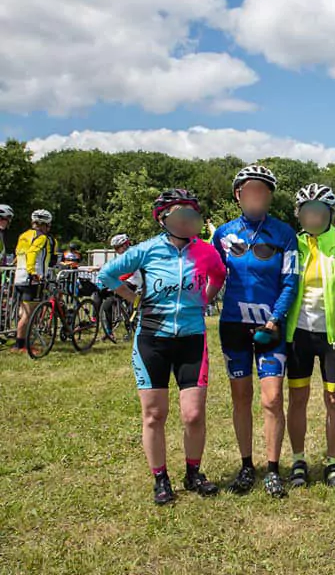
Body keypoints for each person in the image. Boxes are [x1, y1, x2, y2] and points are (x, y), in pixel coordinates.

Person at [98, 190, 225, 505]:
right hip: (152, 339)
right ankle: (160, 478)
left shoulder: (205, 252)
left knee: (193, 414)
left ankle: (193, 473)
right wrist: (135, 300)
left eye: (191, 214)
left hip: (192, 338)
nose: (187, 220)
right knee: (155, 414)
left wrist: (202, 301)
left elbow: (219, 276)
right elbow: (107, 274)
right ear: (163, 218)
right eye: (180, 214)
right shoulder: (147, 250)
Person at [213, 164, 299, 499]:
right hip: (233, 324)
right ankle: (247, 465)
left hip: (270, 325)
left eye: (262, 191)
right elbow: (210, 272)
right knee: (240, 397)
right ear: (238, 195)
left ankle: (274, 468)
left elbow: (290, 281)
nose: (256, 196)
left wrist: (276, 318)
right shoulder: (222, 233)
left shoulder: (283, 233)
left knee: (273, 398)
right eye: (250, 190)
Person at [284, 184, 335, 489]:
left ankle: (333, 463)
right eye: (307, 212)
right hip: (297, 333)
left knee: (334, 400)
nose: (313, 217)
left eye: (320, 212)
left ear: (330, 214)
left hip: (333, 336)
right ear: (298, 214)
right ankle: (298, 460)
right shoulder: (290, 244)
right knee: (297, 398)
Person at [12, 210, 57, 353]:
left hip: (18, 277)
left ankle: (20, 343)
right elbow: (32, 253)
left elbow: (18, 254)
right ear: (46, 225)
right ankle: (21, 345)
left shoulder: (23, 235)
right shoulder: (42, 238)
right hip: (31, 279)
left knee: (22, 313)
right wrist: (33, 272)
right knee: (28, 314)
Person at [98, 234, 142, 342]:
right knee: (108, 304)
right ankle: (109, 332)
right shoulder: (120, 255)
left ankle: (131, 329)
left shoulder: (132, 253)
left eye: (118, 247)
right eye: (115, 248)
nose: (116, 250)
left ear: (126, 244)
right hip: (125, 280)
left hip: (135, 280)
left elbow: (129, 271)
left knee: (130, 303)